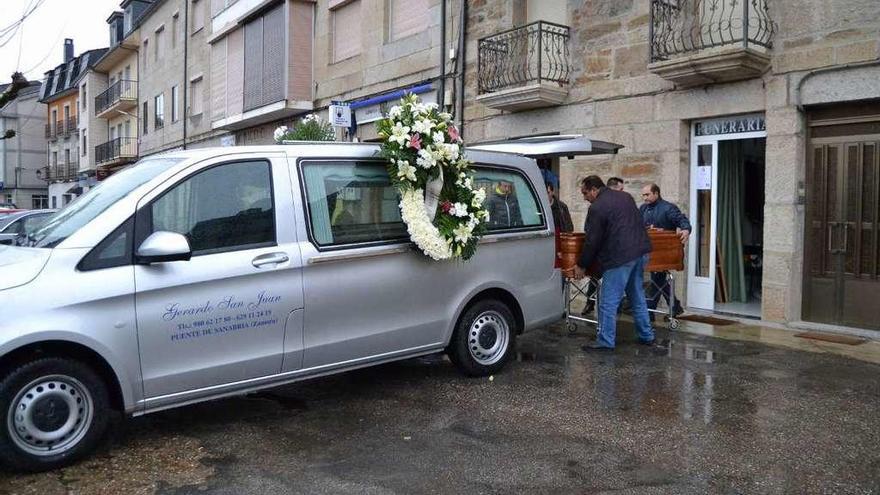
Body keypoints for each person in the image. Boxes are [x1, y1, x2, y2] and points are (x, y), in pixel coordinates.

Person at [573, 176, 656, 351]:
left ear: (594, 189)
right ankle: (646, 335)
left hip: (620, 257)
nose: (584, 197)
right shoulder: (625, 197)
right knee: (637, 296)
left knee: (608, 301)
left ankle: (605, 341)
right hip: (640, 252)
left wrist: (582, 264)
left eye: (585, 192)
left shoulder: (597, 207)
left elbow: (592, 240)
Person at [640, 183, 691, 317]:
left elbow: (682, 220)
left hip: (664, 251)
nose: (644, 197)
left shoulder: (668, 208)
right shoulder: (643, 208)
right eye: (643, 195)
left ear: (656, 193)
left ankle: (650, 310)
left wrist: (686, 229)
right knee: (659, 280)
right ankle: (674, 307)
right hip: (649, 251)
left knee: (658, 278)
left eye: (647, 194)